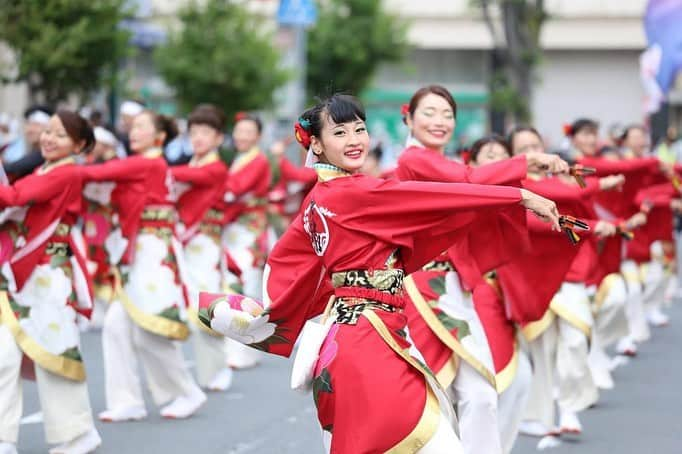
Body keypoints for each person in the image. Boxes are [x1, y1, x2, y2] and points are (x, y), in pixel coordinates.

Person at [197, 94, 561, 453]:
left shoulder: (321, 198)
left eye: (359, 129)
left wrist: (277, 311)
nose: (354, 140)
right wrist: (518, 196)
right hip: (367, 340)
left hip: (363, 334)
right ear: (317, 146)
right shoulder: (353, 192)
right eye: (339, 133)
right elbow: (435, 196)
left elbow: (289, 262)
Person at [395, 85, 568, 454]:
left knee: (480, 395)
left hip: (454, 290)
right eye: (429, 113)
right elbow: (471, 182)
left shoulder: (449, 168)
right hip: (420, 292)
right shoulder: (414, 160)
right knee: (428, 399)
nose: (440, 121)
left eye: (447, 114)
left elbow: (473, 186)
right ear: (408, 117)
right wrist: (526, 171)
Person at [82, 109, 206, 422]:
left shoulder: (147, 162)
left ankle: (186, 392)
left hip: (151, 254)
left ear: (159, 137)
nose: (133, 131)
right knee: (115, 327)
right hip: (139, 251)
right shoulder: (145, 162)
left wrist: (63, 168)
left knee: (151, 330)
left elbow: (96, 175)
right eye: (131, 126)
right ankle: (128, 401)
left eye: (140, 127)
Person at [0, 110, 102, 454]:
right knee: (4, 355)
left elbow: (14, 197)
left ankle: (77, 435)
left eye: (59, 135)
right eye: (47, 132)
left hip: (49, 276)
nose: (48, 138)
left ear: (79, 145)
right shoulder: (42, 169)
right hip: (20, 274)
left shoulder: (68, 173)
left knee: (54, 355)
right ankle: (3, 438)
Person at [170, 104, 234, 391]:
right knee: (185, 302)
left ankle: (217, 369)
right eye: (193, 132)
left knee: (206, 305)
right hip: (184, 241)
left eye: (205, 133)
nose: (197, 138)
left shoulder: (216, 168)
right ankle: (202, 372)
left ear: (218, 138)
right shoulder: (190, 165)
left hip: (205, 244)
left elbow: (189, 178)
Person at [221, 112, 272, 369]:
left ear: (258, 136)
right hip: (234, 230)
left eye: (248, 132)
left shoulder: (258, 161)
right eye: (239, 130)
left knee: (242, 289)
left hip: (249, 233)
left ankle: (243, 352)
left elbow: (234, 189)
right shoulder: (241, 158)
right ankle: (247, 349)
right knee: (240, 288)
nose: (241, 136)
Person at [3, 106, 52, 180]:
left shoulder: (45, 153)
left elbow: (14, 167)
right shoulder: (34, 151)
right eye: (28, 124)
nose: (30, 129)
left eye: (36, 125)